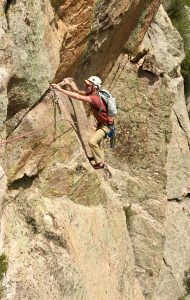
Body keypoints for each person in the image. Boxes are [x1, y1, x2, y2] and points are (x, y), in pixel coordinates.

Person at [51, 76, 114, 169]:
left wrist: (60, 89)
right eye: (86, 85)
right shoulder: (95, 94)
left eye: (88, 85)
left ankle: (100, 163)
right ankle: (99, 158)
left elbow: (78, 97)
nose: (86, 86)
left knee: (92, 142)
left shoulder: (95, 98)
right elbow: (78, 92)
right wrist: (69, 85)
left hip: (106, 126)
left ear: (94, 87)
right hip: (103, 124)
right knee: (98, 143)